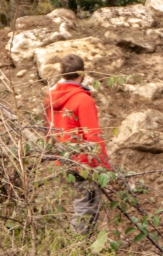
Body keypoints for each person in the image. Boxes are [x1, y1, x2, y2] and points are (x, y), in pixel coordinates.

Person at [43, 54, 112, 235]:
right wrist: (104, 166)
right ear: (82, 73)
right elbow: (93, 136)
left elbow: (48, 130)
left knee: (80, 203)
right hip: (83, 162)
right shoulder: (82, 100)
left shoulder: (50, 98)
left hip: (63, 158)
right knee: (87, 206)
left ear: (62, 73)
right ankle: (78, 249)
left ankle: (77, 249)